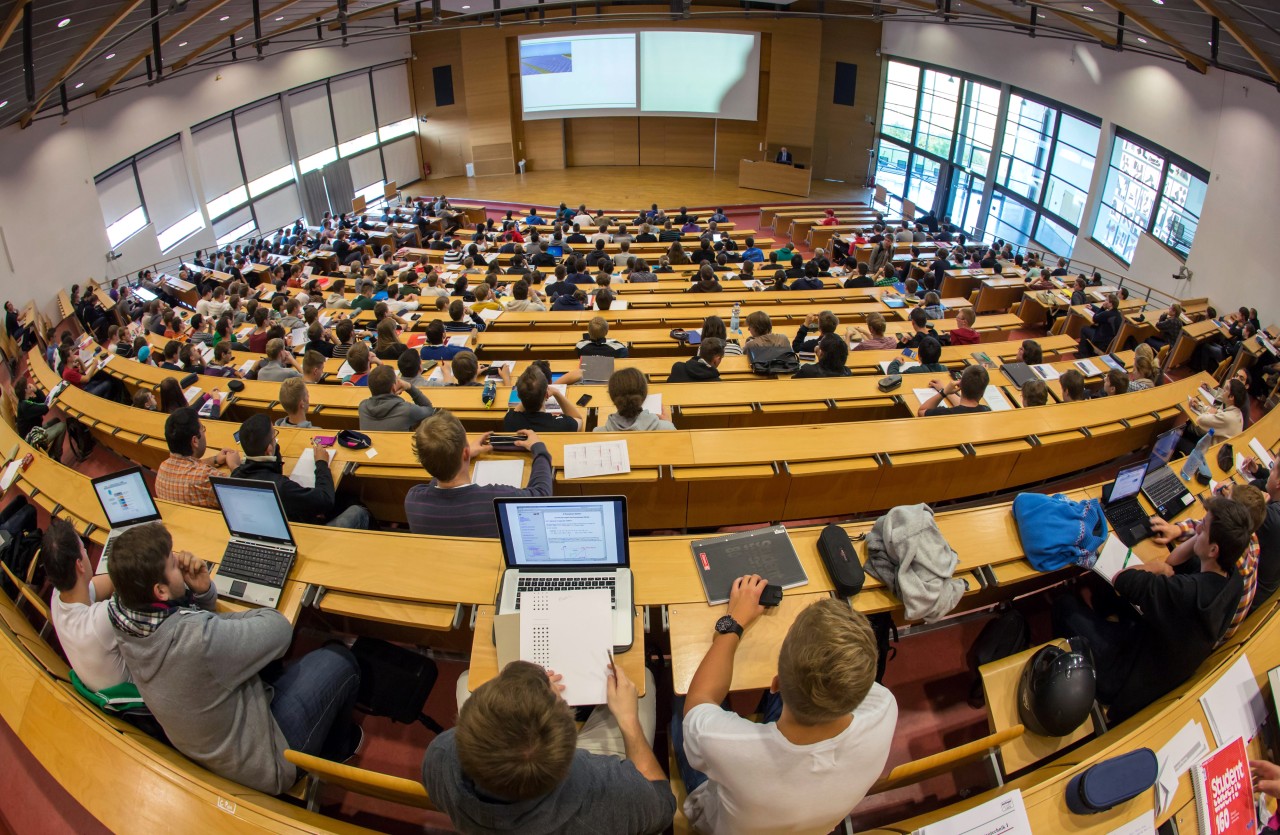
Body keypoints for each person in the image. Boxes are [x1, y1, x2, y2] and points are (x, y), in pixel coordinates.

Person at [108, 522, 363, 794]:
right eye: (173, 562)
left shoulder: (122, 613)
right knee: (339, 659)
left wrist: (202, 593)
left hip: (211, 744)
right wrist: (214, 618)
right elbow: (278, 630)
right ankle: (337, 750)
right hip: (266, 762)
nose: (181, 561)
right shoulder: (198, 639)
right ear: (160, 591)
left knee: (266, 660)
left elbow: (196, 632)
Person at [673, 584, 897, 835]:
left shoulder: (721, 743)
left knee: (681, 697)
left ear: (776, 683)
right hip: (812, 823)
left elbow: (699, 700)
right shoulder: (885, 709)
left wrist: (734, 622)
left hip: (717, 820)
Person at [422, 657, 674, 835]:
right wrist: (628, 721)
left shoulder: (440, 757)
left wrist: (513, 694)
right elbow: (662, 806)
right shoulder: (608, 791)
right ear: (570, 752)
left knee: (467, 679)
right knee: (643, 681)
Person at [1053, 495, 1249, 723]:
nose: (1196, 528)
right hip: (1156, 648)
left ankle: (1065, 663)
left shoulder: (1188, 593)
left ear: (1214, 550)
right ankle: (1101, 613)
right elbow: (1175, 563)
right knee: (1109, 593)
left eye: (1202, 528)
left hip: (1126, 675)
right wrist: (1198, 538)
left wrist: (1154, 567)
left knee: (1064, 605)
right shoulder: (1232, 579)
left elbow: (1123, 579)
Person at [405, 412, 551, 538]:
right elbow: (542, 493)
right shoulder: (498, 501)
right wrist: (538, 447)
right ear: (466, 452)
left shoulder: (413, 500)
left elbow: (438, 472)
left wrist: (455, 456)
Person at [233, 414, 370, 528]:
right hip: (303, 534)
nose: (275, 439)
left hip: (278, 521)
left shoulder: (236, 475)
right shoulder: (280, 486)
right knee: (358, 512)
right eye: (274, 435)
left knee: (346, 498)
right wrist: (321, 463)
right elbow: (326, 501)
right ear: (269, 450)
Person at [43, 519, 131, 692]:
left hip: (105, 693)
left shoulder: (58, 597)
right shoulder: (100, 621)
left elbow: (109, 581)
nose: (86, 551)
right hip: (137, 695)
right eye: (83, 549)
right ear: (80, 565)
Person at [156, 408, 240, 509]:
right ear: (195, 441)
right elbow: (242, 497)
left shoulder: (162, 467)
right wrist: (235, 466)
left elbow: (186, 467)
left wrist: (215, 459)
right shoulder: (206, 477)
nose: (204, 432)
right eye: (202, 428)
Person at [504, 365, 585, 433]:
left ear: (519, 396)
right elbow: (579, 420)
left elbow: (517, 410)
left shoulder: (510, 420)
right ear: (546, 395)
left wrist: (527, 394)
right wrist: (557, 393)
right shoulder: (562, 424)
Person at [358, 365, 435, 432]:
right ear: (394, 387)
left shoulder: (363, 407)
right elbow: (429, 409)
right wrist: (410, 387)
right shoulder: (407, 410)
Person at [596, 368, 675, 432]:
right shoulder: (666, 428)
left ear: (612, 397)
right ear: (644, 395)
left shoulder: (598, 434)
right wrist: (669, 425)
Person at [13, 376, 65, 459]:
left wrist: (36, 391)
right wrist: (37, 391)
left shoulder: (25, 400)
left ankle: (52, 452)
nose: (30, 385)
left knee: (56, 420)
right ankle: (56, 457)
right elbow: (45, 408)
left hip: (36, 430)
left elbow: (43, 400)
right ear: (25, 390)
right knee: (62, 425)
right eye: (28, 385)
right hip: (33, 440)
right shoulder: (25, 406)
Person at [917, 365, 992, 416]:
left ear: (959, 384)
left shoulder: (945, 413)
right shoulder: (987, 411)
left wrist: (944, 392)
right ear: (983, 392)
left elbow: (921, 411)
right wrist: (944, 389)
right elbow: (966, 407)